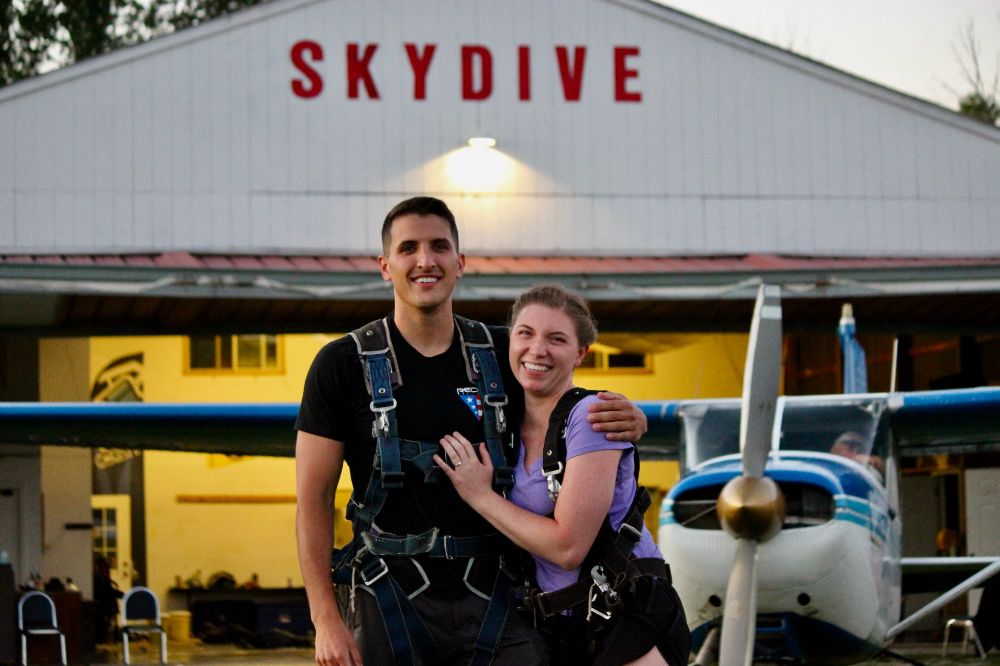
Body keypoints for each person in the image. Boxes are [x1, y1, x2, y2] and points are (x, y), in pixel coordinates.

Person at [295, 197, 648, 665]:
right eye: (409, 249)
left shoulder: (504, 352)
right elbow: (313, 500)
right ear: (385, 266)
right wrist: (325, 620)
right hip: (388, 596)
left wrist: (632, 417)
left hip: (499, 597)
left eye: (439, 246)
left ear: (459, 263)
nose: (425, 260)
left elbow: (567, 410)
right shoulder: (341, 365)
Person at [435, 284, 690, 666]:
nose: (537, 350)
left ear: (580, 354)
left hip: (624, 614)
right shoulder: (504, 425)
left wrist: (480, 496)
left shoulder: (591, 417)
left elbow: (568, 549)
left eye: (557, 339)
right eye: (525, 334)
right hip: (559, 624)